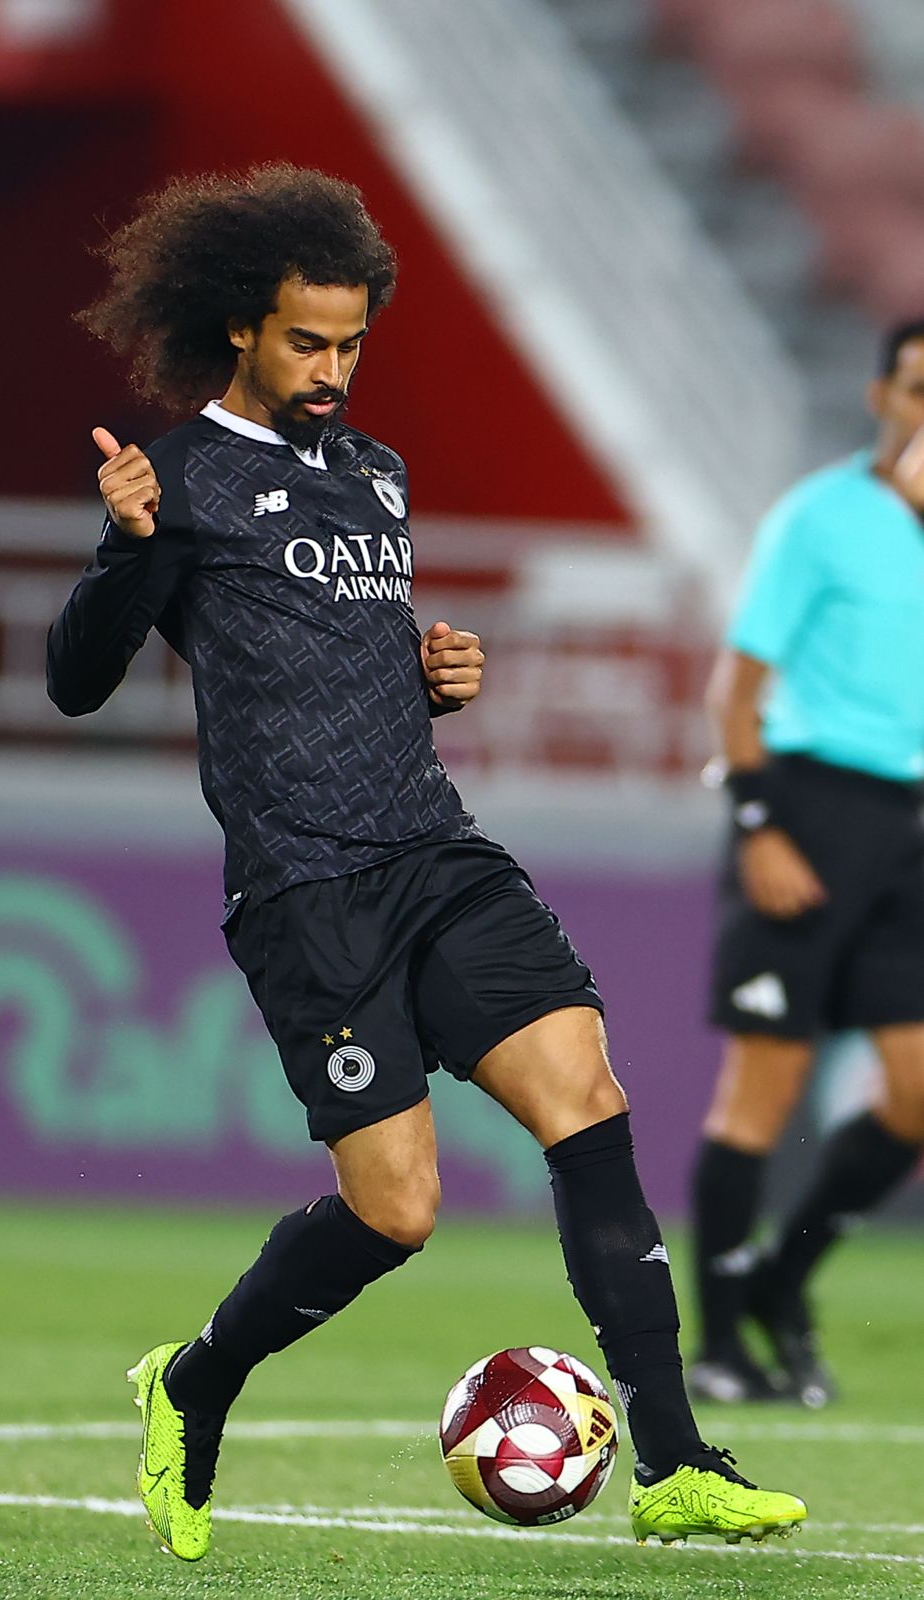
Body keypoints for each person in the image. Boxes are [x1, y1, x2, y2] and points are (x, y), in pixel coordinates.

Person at [47, 163, 805, 1560]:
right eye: (306, 343)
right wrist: (125, 547)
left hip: (435, 851)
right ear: (241, 327)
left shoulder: (374, 474)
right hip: (306, 888)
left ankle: (676, 1460)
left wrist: (428, 676)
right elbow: (76, 681)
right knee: (396, 1212)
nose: (332, 371)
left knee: (587, 1097)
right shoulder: (184, 479)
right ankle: (195, 1380)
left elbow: (332, 659)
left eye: (351, 345)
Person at [689, 320, 924, 1409]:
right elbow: (734, 692)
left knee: (916, 1096)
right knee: (762, 1090)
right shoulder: (819, 518)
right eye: (916, 388)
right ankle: (719, 1343)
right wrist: (759, 826)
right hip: (810, 806)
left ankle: (783, 1280)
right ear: (880, 395)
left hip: (910, 828)